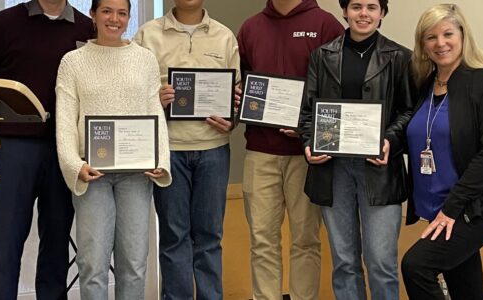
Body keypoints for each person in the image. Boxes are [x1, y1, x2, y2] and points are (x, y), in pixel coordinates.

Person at [0, 0, 92, 298]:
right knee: (6, 243)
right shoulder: (2, 24)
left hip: (63, 149)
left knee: (56, 241)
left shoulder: (86, 27)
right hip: (11, 148)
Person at [401, 4, 483, 299]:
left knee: (416, 266)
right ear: (423, 44)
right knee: (465, 287)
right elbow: (420, 137)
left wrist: (452, 209)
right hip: (439, 207)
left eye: (448, 34)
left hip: (475, 207)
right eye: (431, 37)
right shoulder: (426, 84)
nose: (441, 43)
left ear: (463, 36)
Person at [55, 0, 171, 298]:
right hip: (92, 174)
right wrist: (74, 164)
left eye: (122, 13)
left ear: (129, 17)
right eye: (107, 11)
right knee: (92, 263)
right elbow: (66, 121)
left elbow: (154, 112)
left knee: (134, 263)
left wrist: (160, 158)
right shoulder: (73, 61)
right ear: (93, 15)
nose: (114, 19)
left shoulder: (144, 59)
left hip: (136, 174)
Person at [299, 0, 415, 298]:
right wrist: (310, 142)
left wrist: (389, 139)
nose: (364, 13)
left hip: (379, 171)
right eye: (356, 6)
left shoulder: (400, 57)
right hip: (332, 168)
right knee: (345, 261)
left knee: (380, 261)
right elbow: (307, 112)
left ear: (382, 13)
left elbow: (409, 111)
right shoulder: (322, 56)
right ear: (345, 12)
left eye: (372, 7)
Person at [133, 0, 240, 298]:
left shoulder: (224, 36)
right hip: (169, 151)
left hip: (214, 149)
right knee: (173, 237)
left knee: (209, 237)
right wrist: (156, 98)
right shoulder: (147, 34)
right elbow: (134, 92)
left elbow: (236, 94)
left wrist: (231, 120)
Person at [237, 1, 344, 299]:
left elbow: (338, 89)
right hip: (260, 151)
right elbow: (240, 84)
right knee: (262, 240)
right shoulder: (250, 27)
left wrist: (310, 127)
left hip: (307, 155)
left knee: (306, 239)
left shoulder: (326, 24)